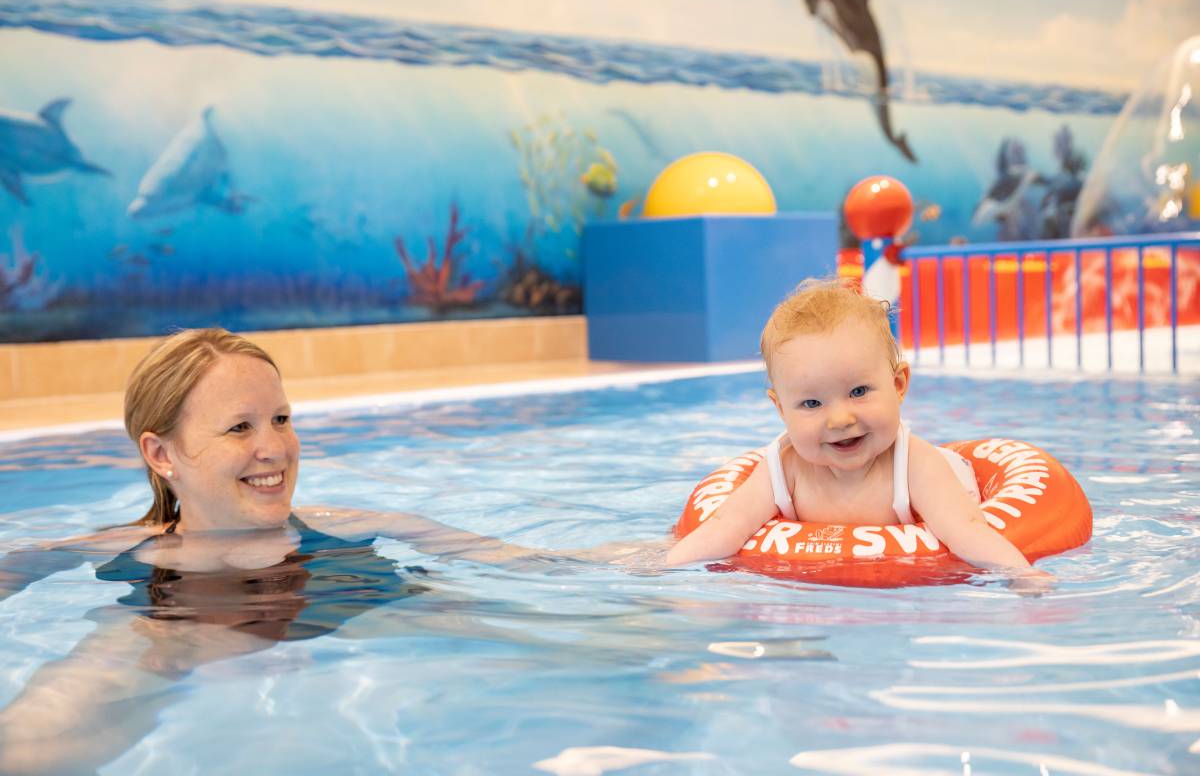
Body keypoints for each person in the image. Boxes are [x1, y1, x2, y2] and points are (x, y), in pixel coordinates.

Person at [0, 328, 571, 774]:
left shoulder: (353, 531)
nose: (273, 448)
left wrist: (650, 557)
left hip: (356, 606)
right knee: (32, 747)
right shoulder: (129, 549)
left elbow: (528, 565)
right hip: (182, 623)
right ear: (161, 453)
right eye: (239, 428)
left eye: (280, 419)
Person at [666, 278, 1051, 588]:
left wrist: (1021, 575)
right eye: (812, 404)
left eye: (858, 392)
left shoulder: (916, 465)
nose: (839, 419)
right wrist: (664, 570)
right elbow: (724, 526)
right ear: (781, 409)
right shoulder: (782, 469)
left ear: (898, 384)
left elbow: (967, 530)